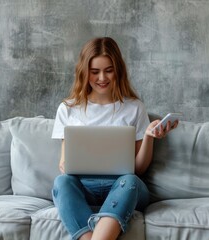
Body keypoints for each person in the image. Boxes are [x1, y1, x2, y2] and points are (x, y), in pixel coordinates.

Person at [51, 37, 178, 240]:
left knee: (130, 180)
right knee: (61, 182)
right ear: (85, 72)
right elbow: (64, 165)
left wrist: (148, 137)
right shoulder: (68, 108)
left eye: (108, 70)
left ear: (118, 69)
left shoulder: (134, 107)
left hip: (124, 188)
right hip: (85, 187)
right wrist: (68, 165)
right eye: (95, 72)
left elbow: (139, 169)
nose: (102, 77)